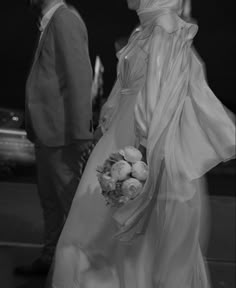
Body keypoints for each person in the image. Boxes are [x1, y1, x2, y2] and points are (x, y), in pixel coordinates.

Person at [51, 0, 235, 287]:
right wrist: (106, 126)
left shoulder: (165, 28)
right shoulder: (146, 30)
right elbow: (126, 89)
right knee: (98, 230)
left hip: (140, 142)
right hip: (124, 138)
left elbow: (158, 96)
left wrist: (143, 155)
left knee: (109, 236)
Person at [15, 0, 93, 275]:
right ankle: (51, 259)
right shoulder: (50, 21)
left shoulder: (64, 20)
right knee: (50, 201)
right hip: (48, 133)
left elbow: (80, 78)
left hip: (62, 136)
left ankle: (79, 269)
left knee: (69, 204)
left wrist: (82, 132)